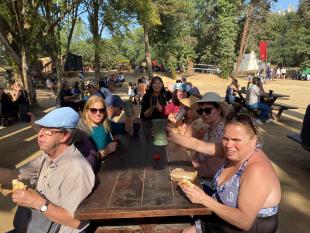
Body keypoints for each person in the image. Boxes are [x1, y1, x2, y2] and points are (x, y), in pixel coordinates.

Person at [168, 114, 281, 233]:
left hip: (246, 227)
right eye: (225, 138)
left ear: (254, 140)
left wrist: (204, 199)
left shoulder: (257, 171)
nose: (228, 145)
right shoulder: (234, 151)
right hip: (223, 216)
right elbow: (199, 145)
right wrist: (172, 136)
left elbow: (244, 221)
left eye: (236, 140)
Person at [0, 107, 95, 232]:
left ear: (64, 136)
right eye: (40, 128)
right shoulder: (47, 156)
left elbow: (76, 221)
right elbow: (14, 175)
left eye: (48, 131)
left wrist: (39, 203)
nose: (40, 134)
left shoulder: (77, 170)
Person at [191, 92, 229, 195]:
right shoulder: (210, 127)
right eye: (201, 111)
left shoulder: (223, 131)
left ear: (219, 110)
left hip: (215, 186)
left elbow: (212, 170)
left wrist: (190, 169)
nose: (203, 114)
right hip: (202, 176)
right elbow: (197, 155)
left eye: (207, 110)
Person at [78, 95, 117, 160]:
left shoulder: (106, 123)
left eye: (102, 110)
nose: (98, 113)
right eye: (93, 110)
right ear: (87, 111)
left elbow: (124, 128)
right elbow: (84, 159)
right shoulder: (82, 129)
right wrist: (104, 152)